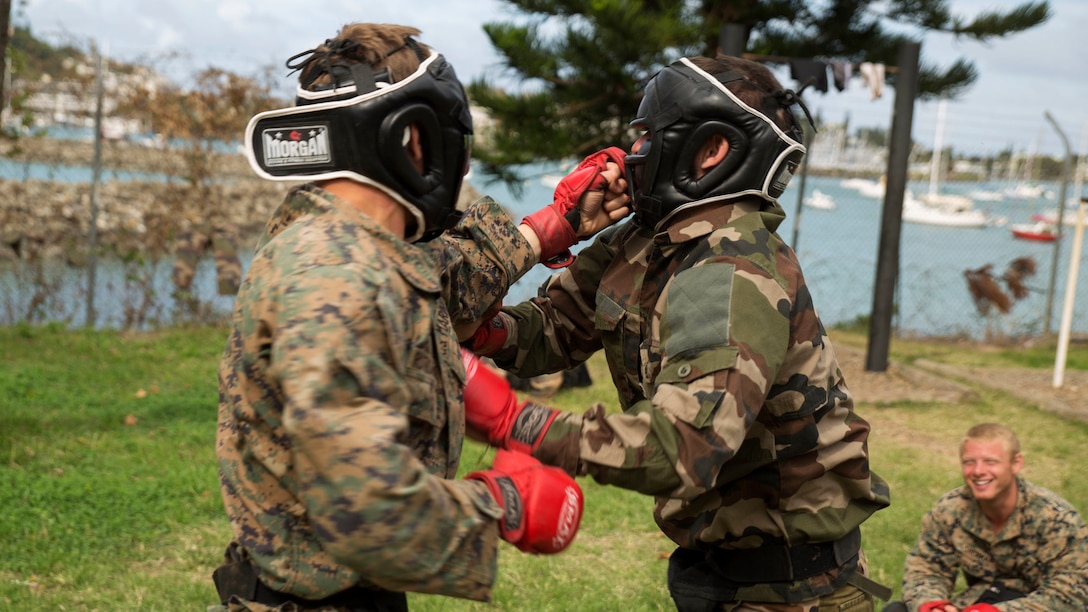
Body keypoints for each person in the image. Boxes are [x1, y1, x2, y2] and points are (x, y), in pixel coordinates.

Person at [212, 22, 631, 611]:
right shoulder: (333, 273)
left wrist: (556, 224)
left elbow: (436, 277)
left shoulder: (348, 243)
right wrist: (503, 504)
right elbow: (366, 512)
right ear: (415, 140)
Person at [459, 53, 892, 610]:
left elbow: (684, 449)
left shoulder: (731, 272)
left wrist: (516, 423)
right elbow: (551, 330)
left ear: (710, 150)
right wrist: (542, 242)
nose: (630, 155)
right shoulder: (646, 240)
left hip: (792, 591)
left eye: (646, 137)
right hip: (720, 574)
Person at [884, 423, 1088, 612]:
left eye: (990, 462)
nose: (978, 471)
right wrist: (934, 604)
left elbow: (1072, 593)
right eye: (969, 462)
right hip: (980, 600)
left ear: (1015, 463)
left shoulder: (1057, 519)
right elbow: (927, 567)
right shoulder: (950, 509)